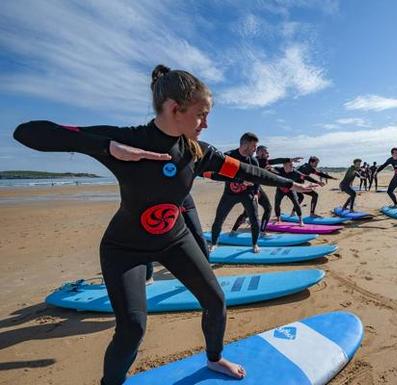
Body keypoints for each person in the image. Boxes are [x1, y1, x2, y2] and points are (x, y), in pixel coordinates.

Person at [13, 64, 314, 384]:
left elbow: (247, 171)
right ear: (175, 109)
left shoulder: (197, 152)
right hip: (124, 248)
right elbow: (28, 132)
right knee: (132, 328)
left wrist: (289, 184)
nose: (207, 124)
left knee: (215, 302)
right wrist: (106, 148)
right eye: (202, 114)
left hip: (174, 239)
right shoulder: (127, 139)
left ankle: (214, 358)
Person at [207, 132, 263, 253]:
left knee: (254, 219)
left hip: (247, 194)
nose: (255, 149)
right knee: (219, 219)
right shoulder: (228, 156)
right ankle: (214, 243)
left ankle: (254, 244)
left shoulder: (253, 161)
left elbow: (257, 178)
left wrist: (256, 192)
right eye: (254, 146)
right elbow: (217, 174)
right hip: (229, 194)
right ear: (246, 145)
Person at [273, 159, 318, 225]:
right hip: (280, 190)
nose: (292, 166)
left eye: (292, 165)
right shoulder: (278, 169)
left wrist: (317, 182)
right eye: (290, 165)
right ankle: (278, 219)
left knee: (296, 203)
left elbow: (305, 177)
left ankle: (300, 220)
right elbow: (267, 170)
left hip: (290, 189)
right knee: (277, 204)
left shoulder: (295, 172)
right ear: (285, 165)